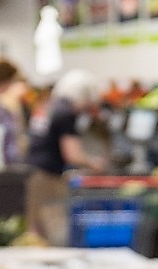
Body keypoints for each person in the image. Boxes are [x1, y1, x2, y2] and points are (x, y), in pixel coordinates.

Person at [25, 68, 105, 245]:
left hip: (31, 173)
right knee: (52, 233)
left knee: (35, 229)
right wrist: (93, 163)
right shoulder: (66, 114)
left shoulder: (46, 107)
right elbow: (72, 154)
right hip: (48, 178)